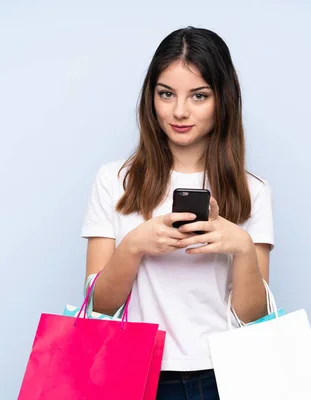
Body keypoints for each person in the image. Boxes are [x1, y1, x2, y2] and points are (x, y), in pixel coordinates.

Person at [81, 26, 274, 400]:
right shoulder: (114, 181)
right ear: (150, 97)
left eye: (199, 96)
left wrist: (242, 246)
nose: (180, 111)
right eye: (166, 94)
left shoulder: (253, 191)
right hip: (134, 373)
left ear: (223, 100)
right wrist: (135, 245)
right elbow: (99, 307)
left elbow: (254, 319)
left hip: (224, 376)